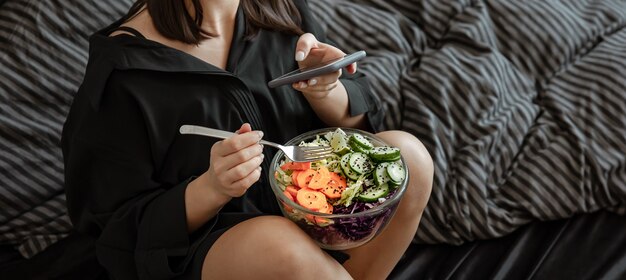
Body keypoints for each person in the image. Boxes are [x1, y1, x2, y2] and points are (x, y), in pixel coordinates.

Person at [61, 0, 433, 279]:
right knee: (278, 246)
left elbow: (356, 125)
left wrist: (326, 90)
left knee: (409, 159)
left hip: (315, 205)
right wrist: (213, 187)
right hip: (216, 248)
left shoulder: (278, 6)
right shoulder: (123, 76)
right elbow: (117, 229)